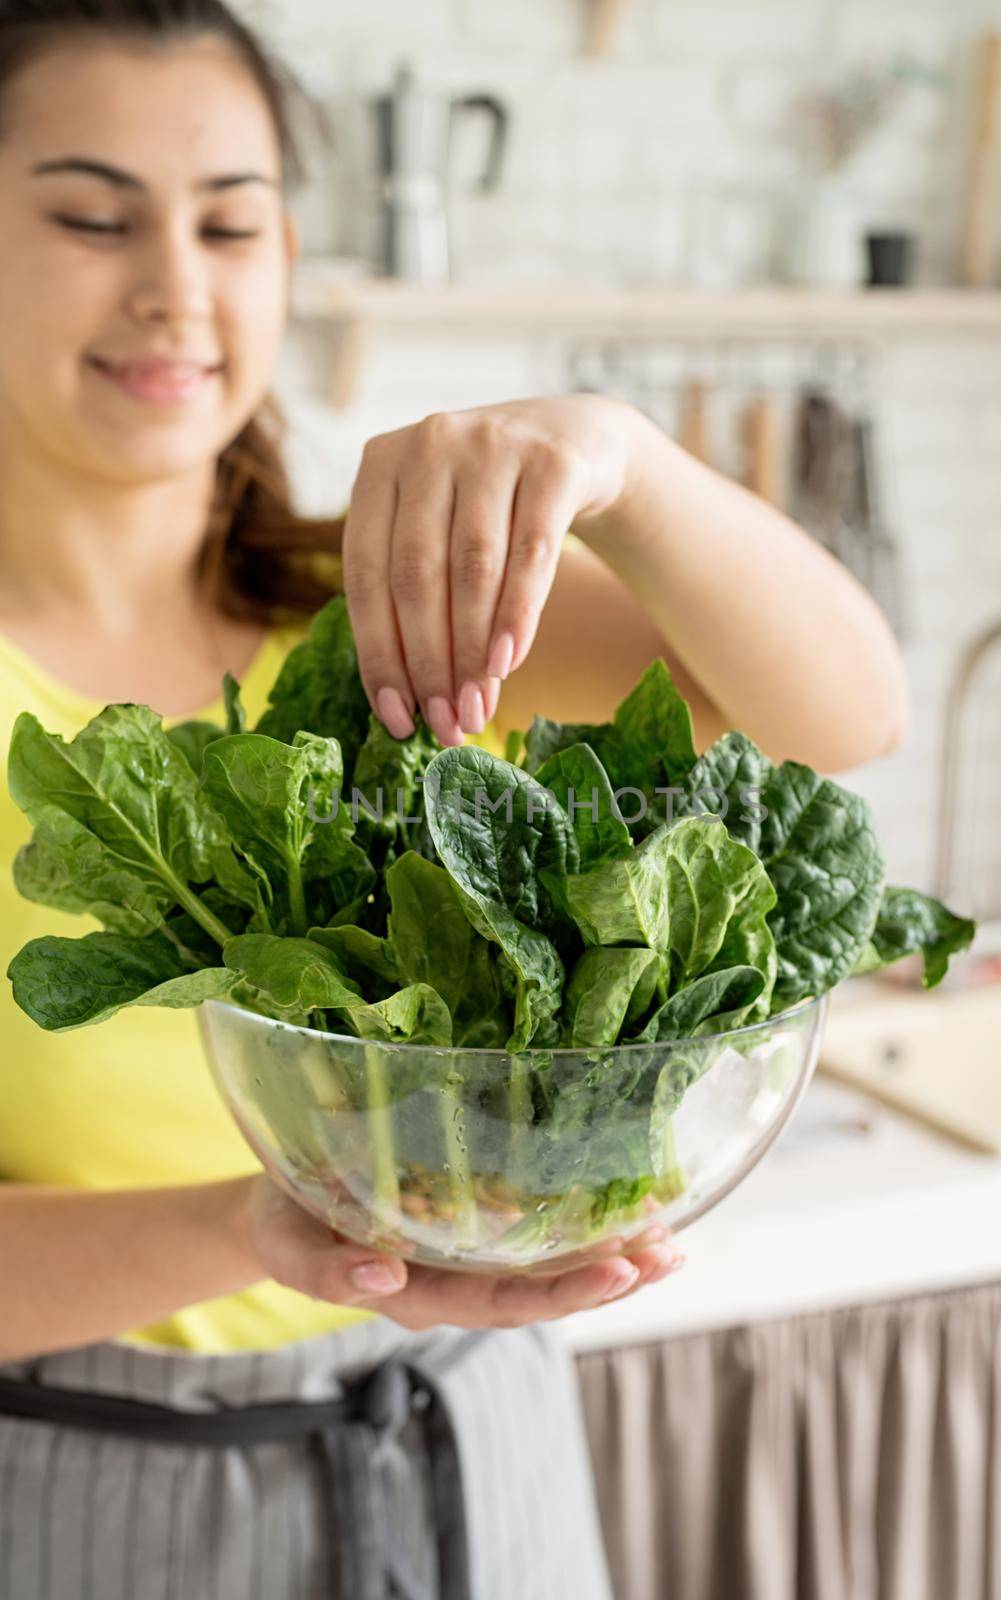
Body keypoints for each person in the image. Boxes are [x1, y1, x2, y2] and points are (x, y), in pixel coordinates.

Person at [0, 1, 909, 1595]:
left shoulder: (404, 613)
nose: (177, 287)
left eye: (232, 220)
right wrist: (252, 1226)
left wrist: (625, 464)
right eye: (90, 215)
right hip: (98, 1491)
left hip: (483, 1458)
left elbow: (846, 710)